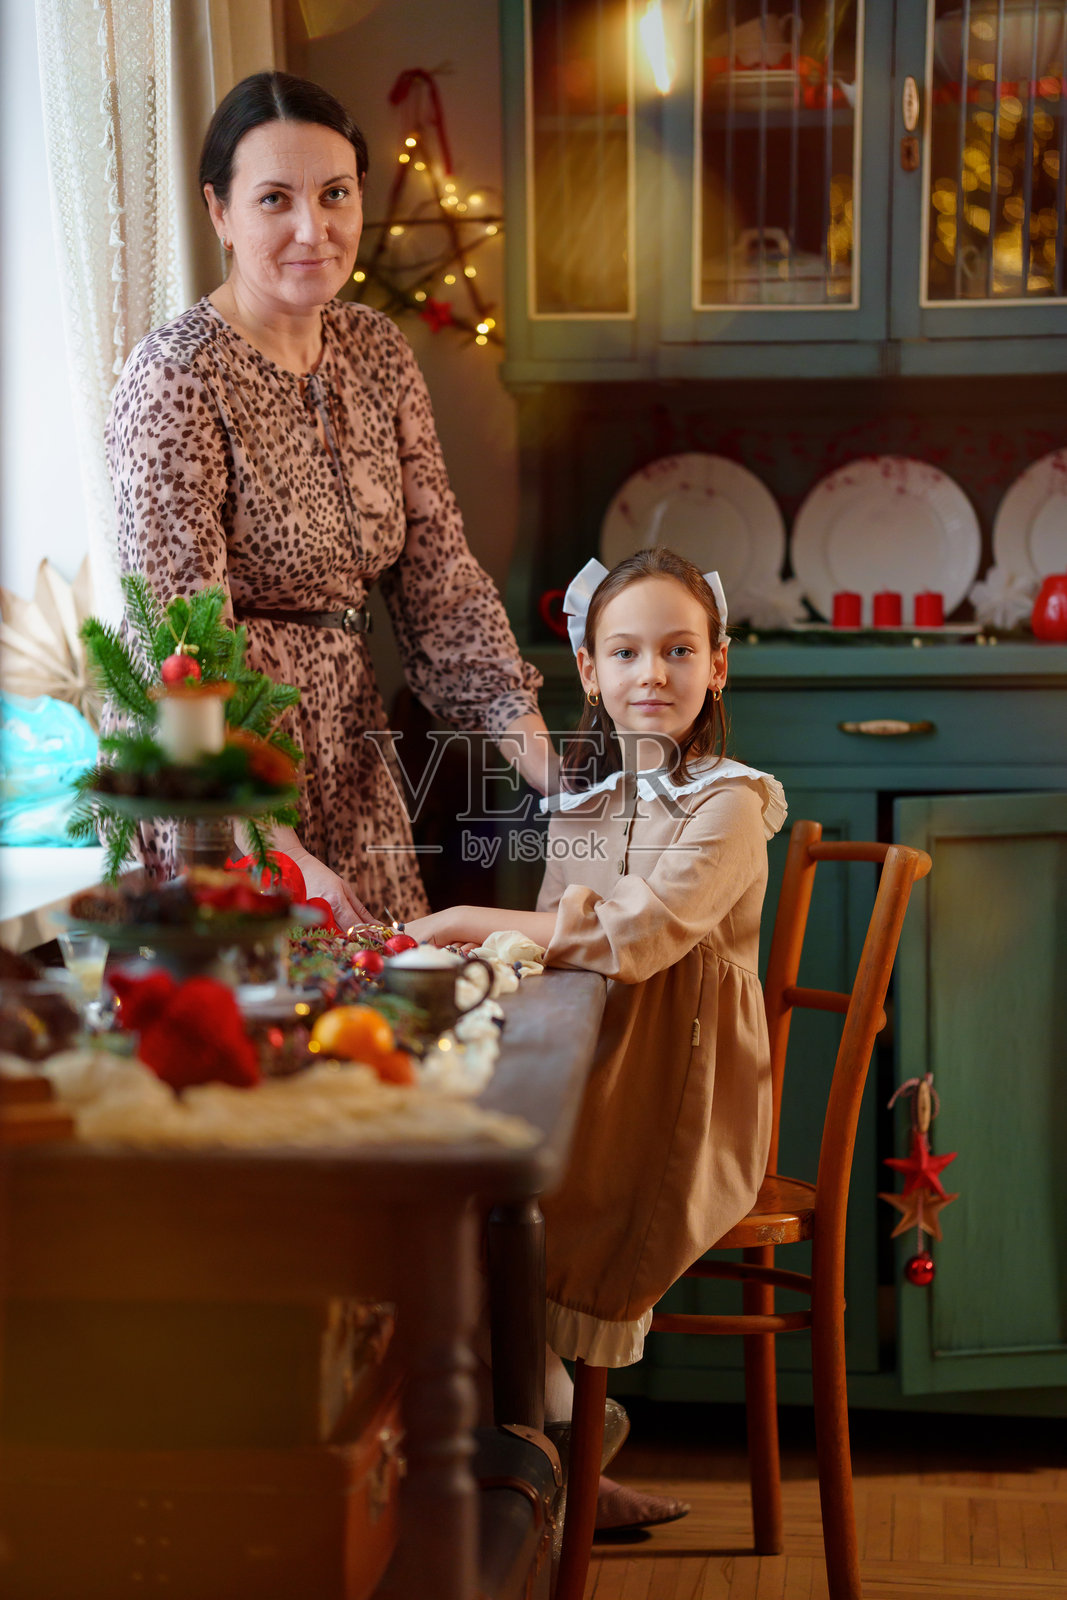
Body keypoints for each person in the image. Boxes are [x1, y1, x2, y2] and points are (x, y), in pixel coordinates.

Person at [106, 71, 556, 927]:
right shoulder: (175, 377)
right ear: (219, 212)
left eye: (335, 194)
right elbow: (180, 647)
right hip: (217, 779)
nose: (313, 228)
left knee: (388, 997)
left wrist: (554, 775)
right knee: (256, 1003)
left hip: (352, 756)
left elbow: (440, 583)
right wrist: (272, 843)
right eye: (274, 198)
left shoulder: (377, 352)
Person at [407, 546, 786, 1529]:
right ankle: (555, 1450)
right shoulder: (585, 804)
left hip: (677, 1092)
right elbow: (546, 946)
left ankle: (555, 1454)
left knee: (504, 1207)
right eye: (624, 652)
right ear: (587, 669)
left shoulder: (730, 802)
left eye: (677, 650)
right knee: (449, 1183)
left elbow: (634, 935)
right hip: (589, 1063)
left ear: (717, 666)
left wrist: (460, 920)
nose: (650, 673)